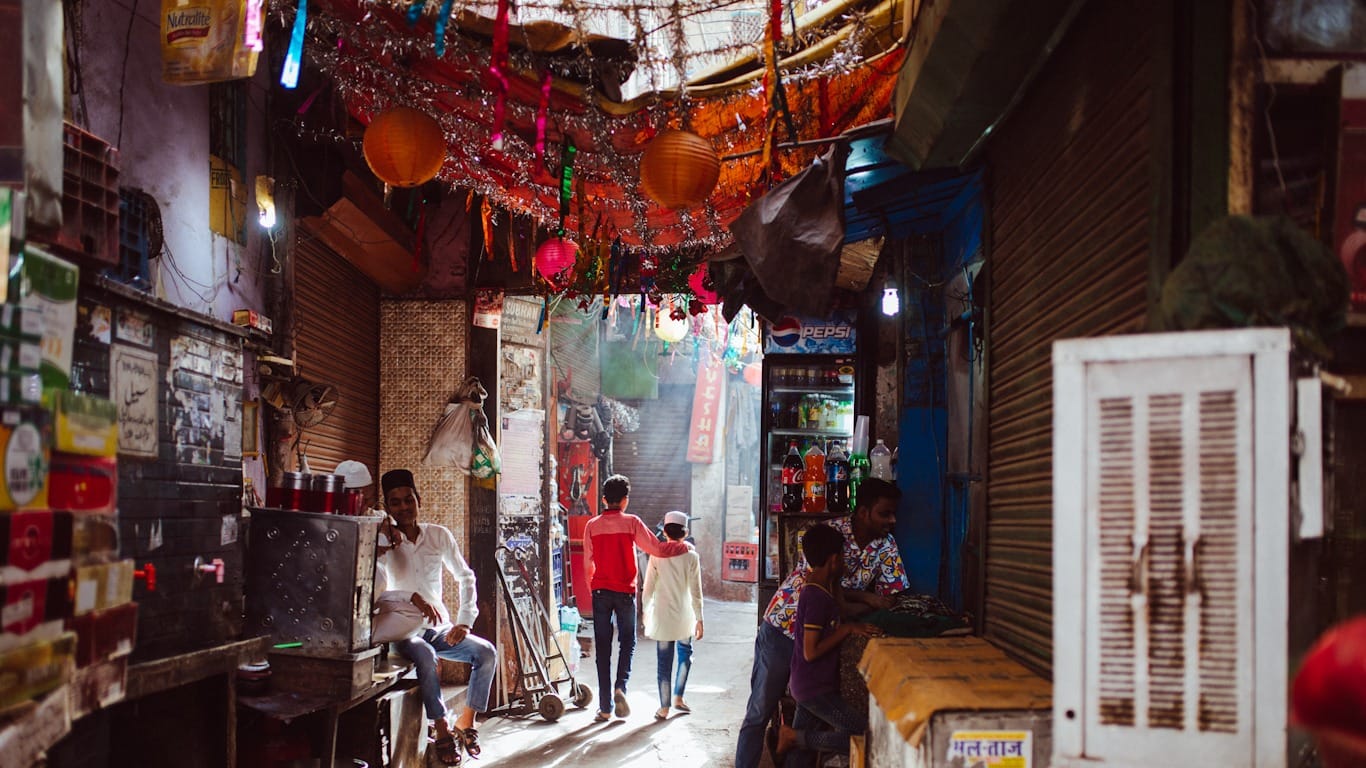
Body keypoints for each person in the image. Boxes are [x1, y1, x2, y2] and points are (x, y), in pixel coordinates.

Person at [734, 477, 908, 768]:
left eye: (893, 513)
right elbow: (816, 582)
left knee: (809, 716)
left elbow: (890, 596)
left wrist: (871, 605)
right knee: (760, 709)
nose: (892, 520)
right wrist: (866, 599)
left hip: (824, 637)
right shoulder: (829, 534)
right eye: (884, 513)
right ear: (863, 512)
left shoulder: (886, 546)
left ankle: (793, 747)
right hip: (785, 628)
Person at [375, 469, 497, 767]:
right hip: (403, 632)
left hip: (437, 628)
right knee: (426, 655)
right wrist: (411, 595)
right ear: (387, 507)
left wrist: (464, 621)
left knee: (486, 653)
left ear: (419, 499)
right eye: (395, 502)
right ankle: (442, 728)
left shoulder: (438, 535)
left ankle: (466, 722)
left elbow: (465, 577)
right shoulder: (382, 541)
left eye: (408, 500)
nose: (403, 507)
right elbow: (375, 592)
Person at [582, 474, 690, 721]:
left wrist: (593, 589)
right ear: (625, 500)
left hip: (600, 591)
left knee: (602, 648)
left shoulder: (592, 526)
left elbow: (588, 564)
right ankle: (621, 686)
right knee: (627, 642)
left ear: (604, 499)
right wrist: (681, 546)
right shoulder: (632, 523)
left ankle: (605, 708)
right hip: (625, 592)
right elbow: (657, 549)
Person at [777, 524, 880, 764]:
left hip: (808, 684)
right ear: (834, 560)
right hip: (815, 688)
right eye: (842, 557)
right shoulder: (816, 596)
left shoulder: (822, 588)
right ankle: (794, 737)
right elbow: (810, 652)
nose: (845, 561)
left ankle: (794, 739)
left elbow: (841, 608)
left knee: (799, 758)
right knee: (863, 733)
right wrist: (847, 629)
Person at [642, 509, 705, 720]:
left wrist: (645, 612)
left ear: (665, 532)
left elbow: (648, 589)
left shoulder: (656, 556)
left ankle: (664, 707)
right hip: (685, 617)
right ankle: (678, 696)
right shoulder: (692, 556)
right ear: (685, 532)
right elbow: (696, 591)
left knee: (664, 662)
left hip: (662, 617)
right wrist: (699, 618)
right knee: (686, 655)